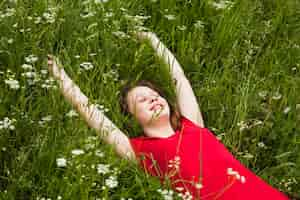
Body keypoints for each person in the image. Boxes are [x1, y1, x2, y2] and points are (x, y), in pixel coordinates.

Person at [47, 32, 289, 199]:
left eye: (155, 95)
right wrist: (60, 77)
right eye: (141, 99)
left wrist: (152, 40)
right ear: (133, 117)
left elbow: (179, 78)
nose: (153, 98)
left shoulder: (192, 125)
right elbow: (91, 113)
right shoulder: (140, 152)